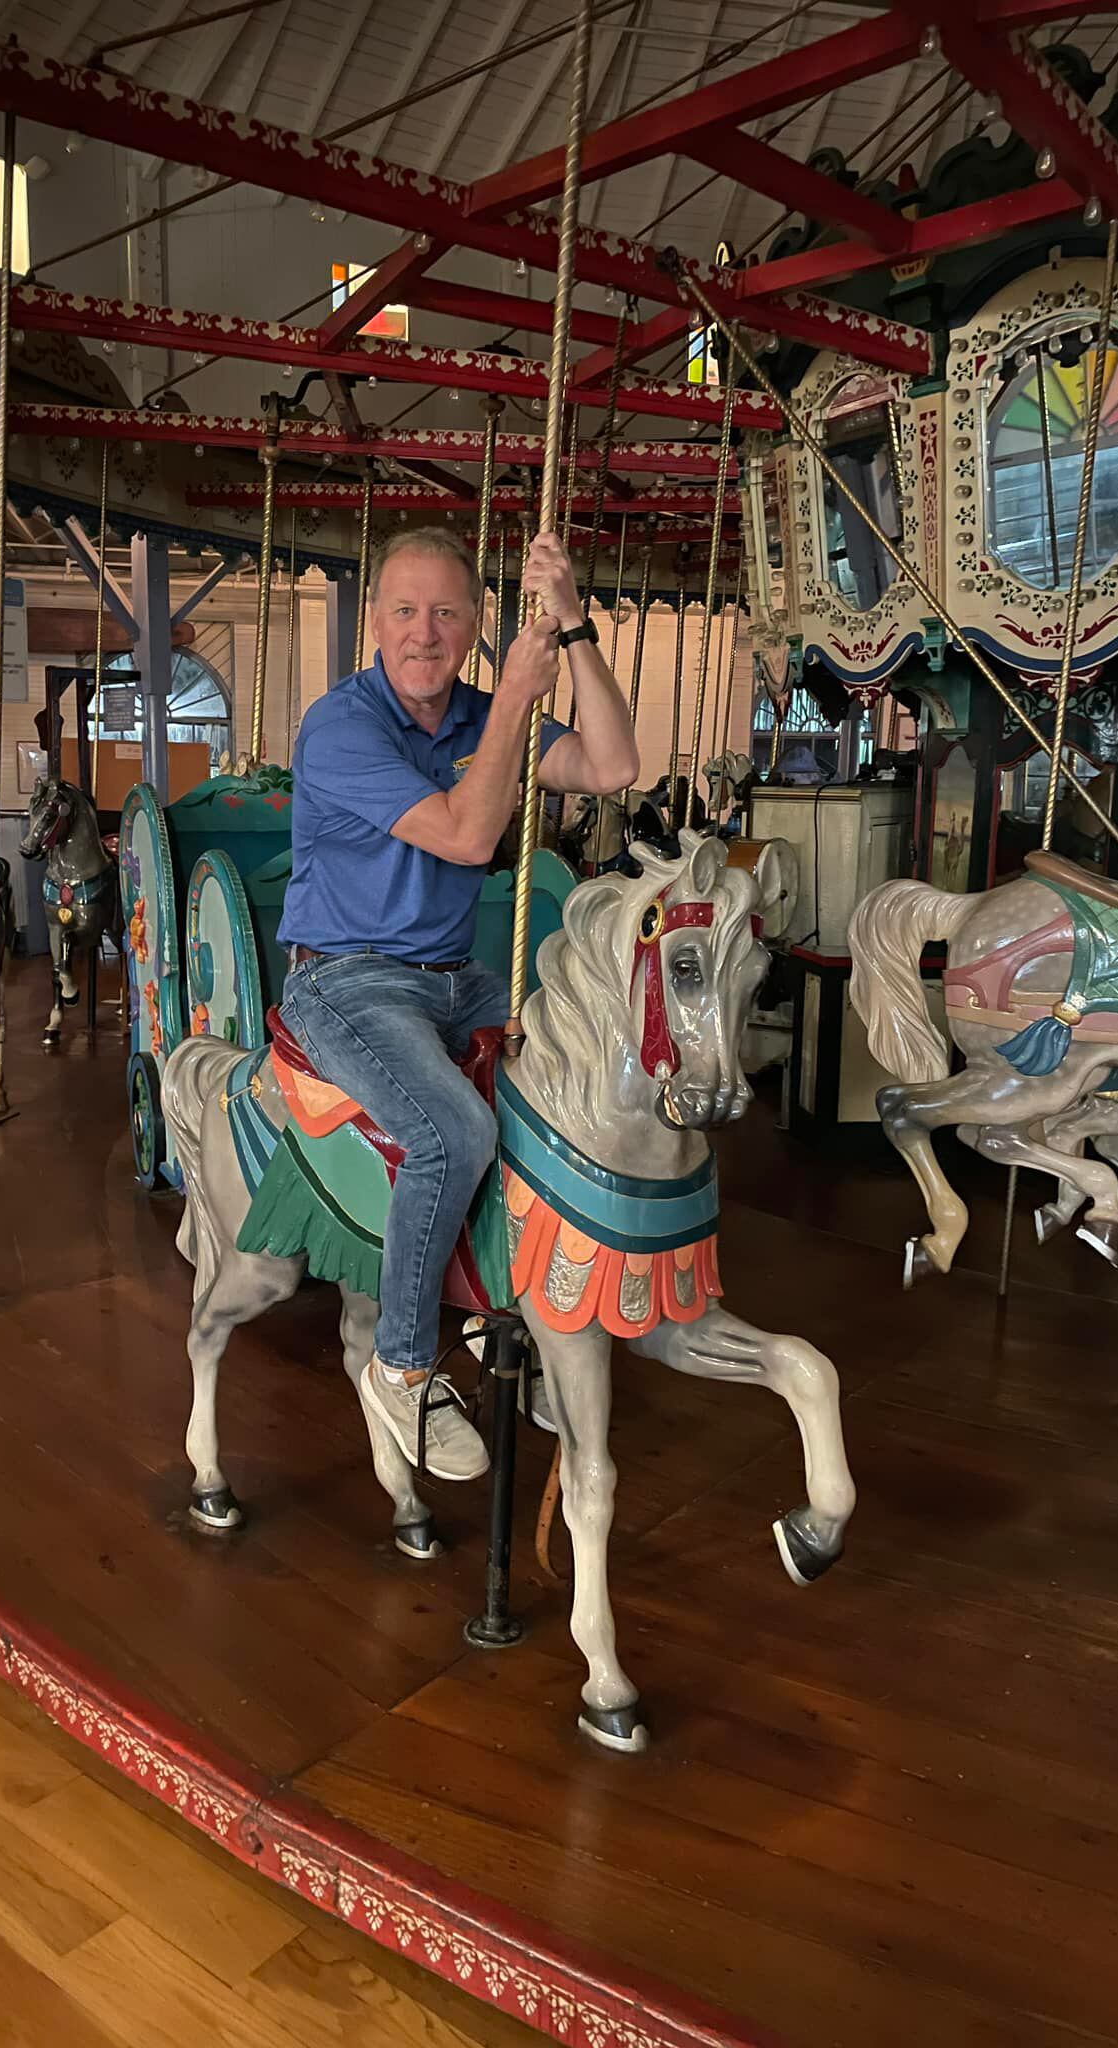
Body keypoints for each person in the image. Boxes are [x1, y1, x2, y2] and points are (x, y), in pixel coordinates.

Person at [277, 525, 639, 1480]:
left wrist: (573, 628)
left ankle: (511, 1305)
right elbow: (469, 837)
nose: (424, 633)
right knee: (454, 1131)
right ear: (375, 625)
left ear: (479, 622)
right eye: (404, 611)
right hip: (345, 979)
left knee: (579, 1077)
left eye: (446, 612)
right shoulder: (341, 726)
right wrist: (520, 694)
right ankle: (400, 1365)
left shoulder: (482, 712)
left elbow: (612, 767)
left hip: (451, 976)